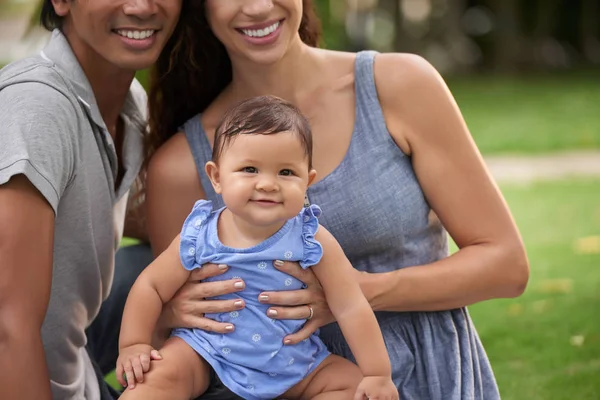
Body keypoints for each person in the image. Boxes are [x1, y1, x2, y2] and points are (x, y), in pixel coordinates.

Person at [141, 1, 530, 399]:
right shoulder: (179, 165)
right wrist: (170, 313)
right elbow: (172, 330)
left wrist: (356, 291)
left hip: (421, 376)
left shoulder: (398, 84)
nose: (257, 6)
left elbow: (506, 265)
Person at [115, 95, 398, 400]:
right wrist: (133, 343)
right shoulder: (200, 233)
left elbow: (350, 304)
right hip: (206, 353)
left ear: (307, 181)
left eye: (286, 172)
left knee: (349, 384)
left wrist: (377, 373)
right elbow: (151, 286)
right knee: (155, 379)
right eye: (250, 169)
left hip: (292, 361)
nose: (267, 184)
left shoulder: (311, 238)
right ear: (217, 177)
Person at [0, 1, 184, 399]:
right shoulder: (37, 107)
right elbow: (6, 328)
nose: (141, 7)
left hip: (77, 371)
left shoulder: (130, 103)